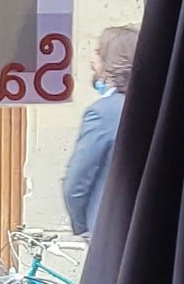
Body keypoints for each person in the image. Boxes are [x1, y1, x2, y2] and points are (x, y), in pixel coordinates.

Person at [60, 22, 141, 237]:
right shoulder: (163, 109)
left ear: (112, 61)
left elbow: (76, 184)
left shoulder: (104, 113)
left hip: (112, 235)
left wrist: (83, 228)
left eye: (98, 52)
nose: (91, 59)